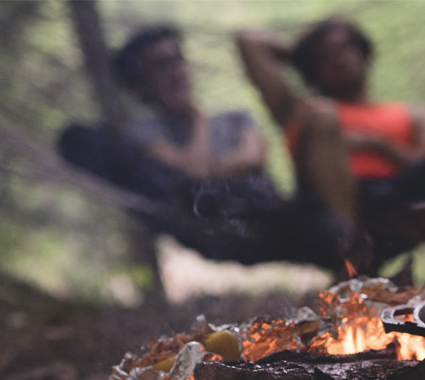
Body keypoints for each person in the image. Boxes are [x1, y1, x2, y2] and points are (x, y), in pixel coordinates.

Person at [235, 17, 425, 261]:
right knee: (324, 115)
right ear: (312, 68)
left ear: (364, 53)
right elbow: (248, 41)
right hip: (340, 206)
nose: (336, 57)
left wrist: (378, 146)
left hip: (406, 190)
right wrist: (300, 54)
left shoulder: (409, 113)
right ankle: (351, 252)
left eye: (344, 47)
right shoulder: (300, 111)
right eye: (324, 55)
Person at [96, 25, 355, 271]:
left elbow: (254, 158)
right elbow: (192, 177)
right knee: (325, 231)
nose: (176, 70)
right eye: (162, 64)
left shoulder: (236, 117)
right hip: (225, 228)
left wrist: (208, 168)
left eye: (178, 59)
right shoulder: (143, 132)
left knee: (323, 123)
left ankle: (350, 249)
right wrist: (197, 119)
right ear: (140, 86)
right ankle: (351, 253)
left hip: (275, 211)